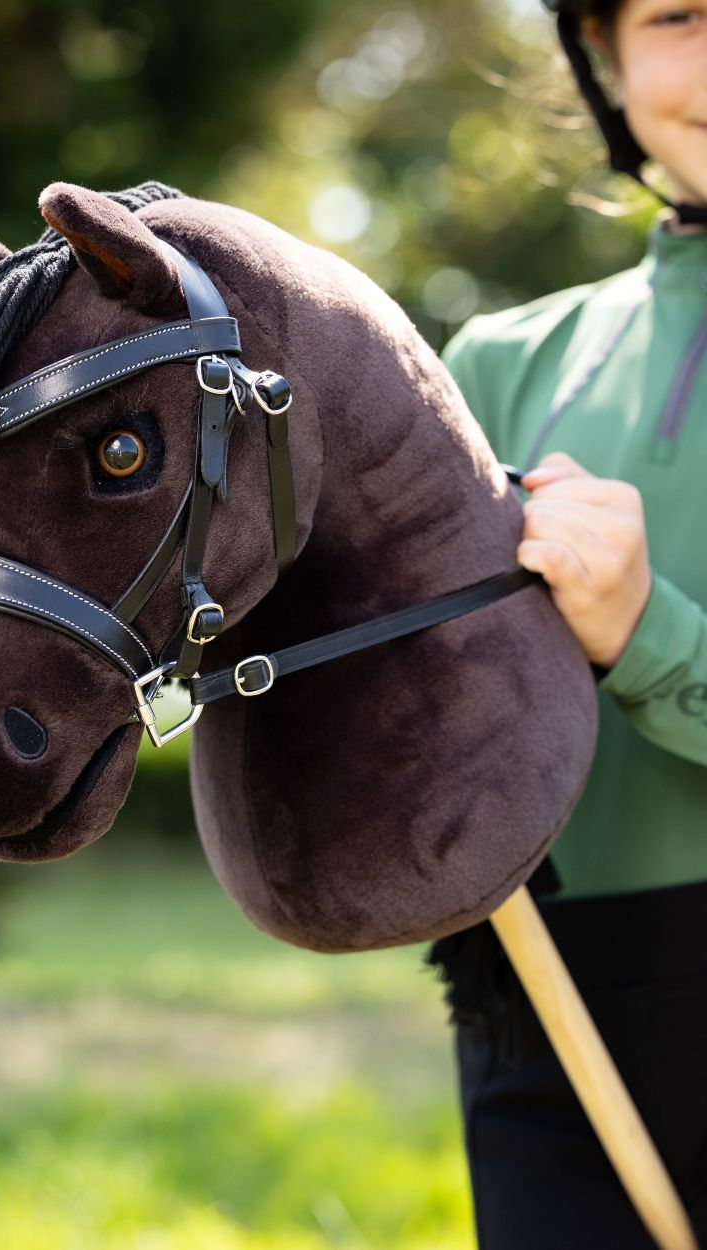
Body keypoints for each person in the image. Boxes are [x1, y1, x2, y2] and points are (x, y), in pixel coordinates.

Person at [425, 1, 707, 1245]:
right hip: (549, 1002)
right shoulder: (493, 364)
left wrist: (645, 631)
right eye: (680, 15)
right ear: (600, 52)